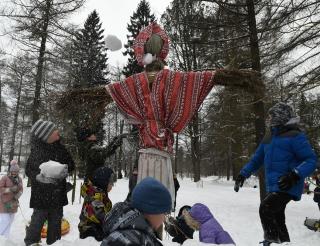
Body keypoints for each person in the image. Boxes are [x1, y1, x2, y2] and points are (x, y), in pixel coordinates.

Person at [105, 22, 216, 207]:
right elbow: (193, 81)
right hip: (154, 154)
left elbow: (116, 89)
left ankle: (152, 225)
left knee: (150, 202)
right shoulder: (171, 80)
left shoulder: (137, 83)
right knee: (152, 202)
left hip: (153, 155)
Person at [234, 102, 318, 246]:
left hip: (288, 183)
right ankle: (284, 242)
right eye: (268, 117)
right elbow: (257, 159)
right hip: (274, 185)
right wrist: (243, 174)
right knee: (278, 217)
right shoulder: (268, 138)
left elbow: (311, 160)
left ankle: (271, 241)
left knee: (266, 208)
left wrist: (295, 175)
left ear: (281, 117)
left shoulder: (296, 136)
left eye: (272, 116)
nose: (269, 119)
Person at [24, 119, 75, 246]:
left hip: (58, 194)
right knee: (37, 221)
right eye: (54, 130)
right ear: (46, 135)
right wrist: (39, 177)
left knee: (56, 224)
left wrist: (64, 170)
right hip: (42, 195)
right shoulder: (36, 151)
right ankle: (31, 242)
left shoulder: (61, 149)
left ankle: (54, 244)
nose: (57, 131)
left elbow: (71, 165)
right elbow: (29, 170)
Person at [101, 177, 172, 246]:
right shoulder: (133, 242)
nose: (164, 219)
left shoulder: (134, 235)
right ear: (151, 212)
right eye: (164, 213)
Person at [78, 166, 116, 241]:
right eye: (111, 182)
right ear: (104, 182)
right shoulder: (94, 198)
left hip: (95, 228)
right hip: (89, 232)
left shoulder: (100, 194)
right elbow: (101, 218)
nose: (113, 185)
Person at [0, 160, 23, 238]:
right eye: (15, 171)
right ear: (11, 171)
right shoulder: (5, 178)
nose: (16, 173)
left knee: (10, 221)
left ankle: (5, 238)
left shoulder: (19, 179)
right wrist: (10, 189)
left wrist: (19, 193)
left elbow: (21, 189)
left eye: (17, 171)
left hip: (13, 203)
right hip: (4, 202)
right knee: (5, 220)